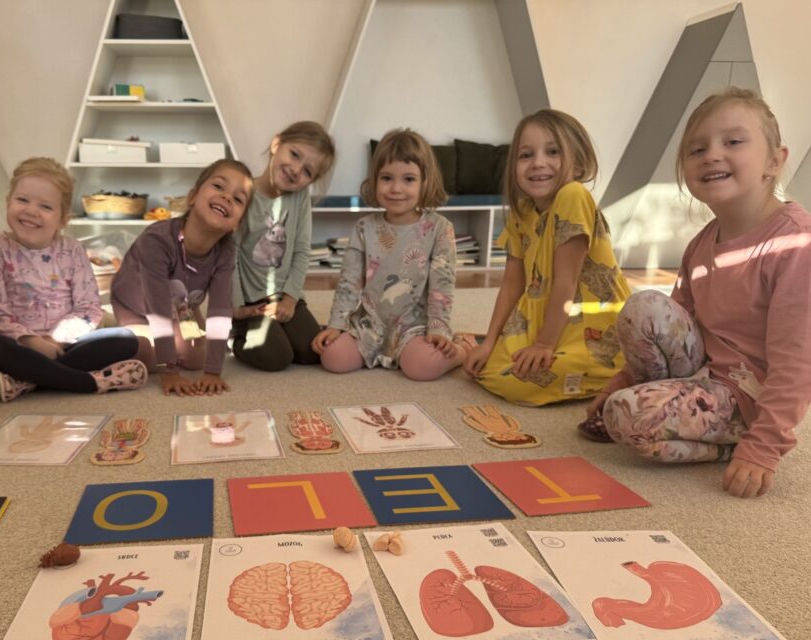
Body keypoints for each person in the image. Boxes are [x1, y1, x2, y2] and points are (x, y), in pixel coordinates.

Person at [588, 88, 810, 499]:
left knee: (626, 415)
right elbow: (679, 325)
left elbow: (797, 361)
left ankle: (730, 442)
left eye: (733, 142)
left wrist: (763, 448)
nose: (711, 155)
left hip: (747, 396)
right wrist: (620, 380)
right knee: (643, 307)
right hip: (703, 374)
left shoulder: (796, 245)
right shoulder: (701, 243)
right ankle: (667, 404)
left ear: (774, 162)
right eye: (697, 149)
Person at [464, 109, 630, 405]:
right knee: (486, 367)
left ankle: (624, 371)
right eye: (525, 155)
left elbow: (566, 281)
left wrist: (544, 344)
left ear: (578, 161)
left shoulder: (573, 195)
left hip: (592, 326)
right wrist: (489, 342)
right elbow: (512, 284)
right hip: (540, 317)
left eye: (553, 152)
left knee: (518, 383)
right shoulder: (522, 211)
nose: (538, 162)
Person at [0, 157, 145, 401]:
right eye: (22, 200)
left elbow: (88, 309)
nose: (31, 211)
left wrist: (54, 341)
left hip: (65, 346)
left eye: (45, 206)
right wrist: (32, 342)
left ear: (63, 219)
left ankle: (26, 381)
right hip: (17, 348)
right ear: (8, 202)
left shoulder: (72, 250)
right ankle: (87, 382)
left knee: (125, 339)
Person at [312, 129, 467, 379]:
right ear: (374, 180)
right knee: (332, 357)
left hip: (415, 326)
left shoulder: (439, 228)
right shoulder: (363, 228)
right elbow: (349, 282)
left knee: (421, 367)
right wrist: (336, 325)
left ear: (425, 182)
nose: (396, 188)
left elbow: (442, 286)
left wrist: (439, 330)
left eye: (409, 179)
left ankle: (463, 349)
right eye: (386, 178)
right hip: (370, 324)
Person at [110, 159, 253, 396]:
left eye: (238, 199)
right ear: (192, 197)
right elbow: (157, 310)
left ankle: (184, 325)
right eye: (219, 186)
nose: (227, 197)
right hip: (135, 306)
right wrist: (169, 372)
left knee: (196, 359)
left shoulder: (226, 250)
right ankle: (115, 329)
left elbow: (220, 308)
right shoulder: (156, 240)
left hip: (181, 306)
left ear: (237, 224)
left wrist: (213, 371)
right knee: (147, 355)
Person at [232, 121, 335, 371]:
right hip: (251, 302)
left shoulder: (300, 197)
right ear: (277, 144)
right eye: (294, 155)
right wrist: (237, 308)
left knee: (312, 352)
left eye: (308, 172)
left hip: (285, 297)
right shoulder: (243, 192)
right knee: (277, 357)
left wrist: (290, 299)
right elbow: (230, 256)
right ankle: (237, 341)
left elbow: (301, 251)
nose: (296, 170)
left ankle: (282, 328)